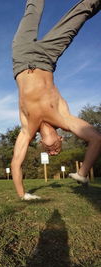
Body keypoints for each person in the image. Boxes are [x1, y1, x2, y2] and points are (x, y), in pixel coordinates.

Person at [11, 0, 101, 200]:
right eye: (57, 152)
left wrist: (23, 195)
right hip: (46, 57)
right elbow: (96, 138)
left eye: (51, 154)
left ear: (42, 142)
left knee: (33, 9)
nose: (52, 153)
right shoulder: (63, 117)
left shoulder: (27, 128)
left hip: (21, 56)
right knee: (79, 15)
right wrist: (83, 173)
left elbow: (15, 163)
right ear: (61, 138)